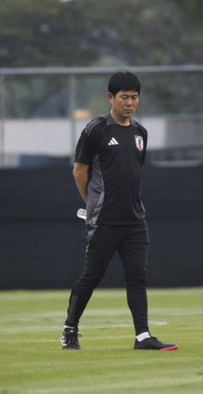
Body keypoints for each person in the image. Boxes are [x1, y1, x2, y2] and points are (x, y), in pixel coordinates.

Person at [61, 71, 177, 351]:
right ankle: (70, 331)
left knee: (137, 277)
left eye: (134, 97)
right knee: (92, 276)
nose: (130, 102)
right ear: (111, 98)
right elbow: (79, 171)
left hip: (135, 221)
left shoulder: (140, 133)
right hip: (104, 220)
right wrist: (93, 205)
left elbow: (134, 173)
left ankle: (142, 337)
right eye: (124, 97)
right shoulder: (96, 129)